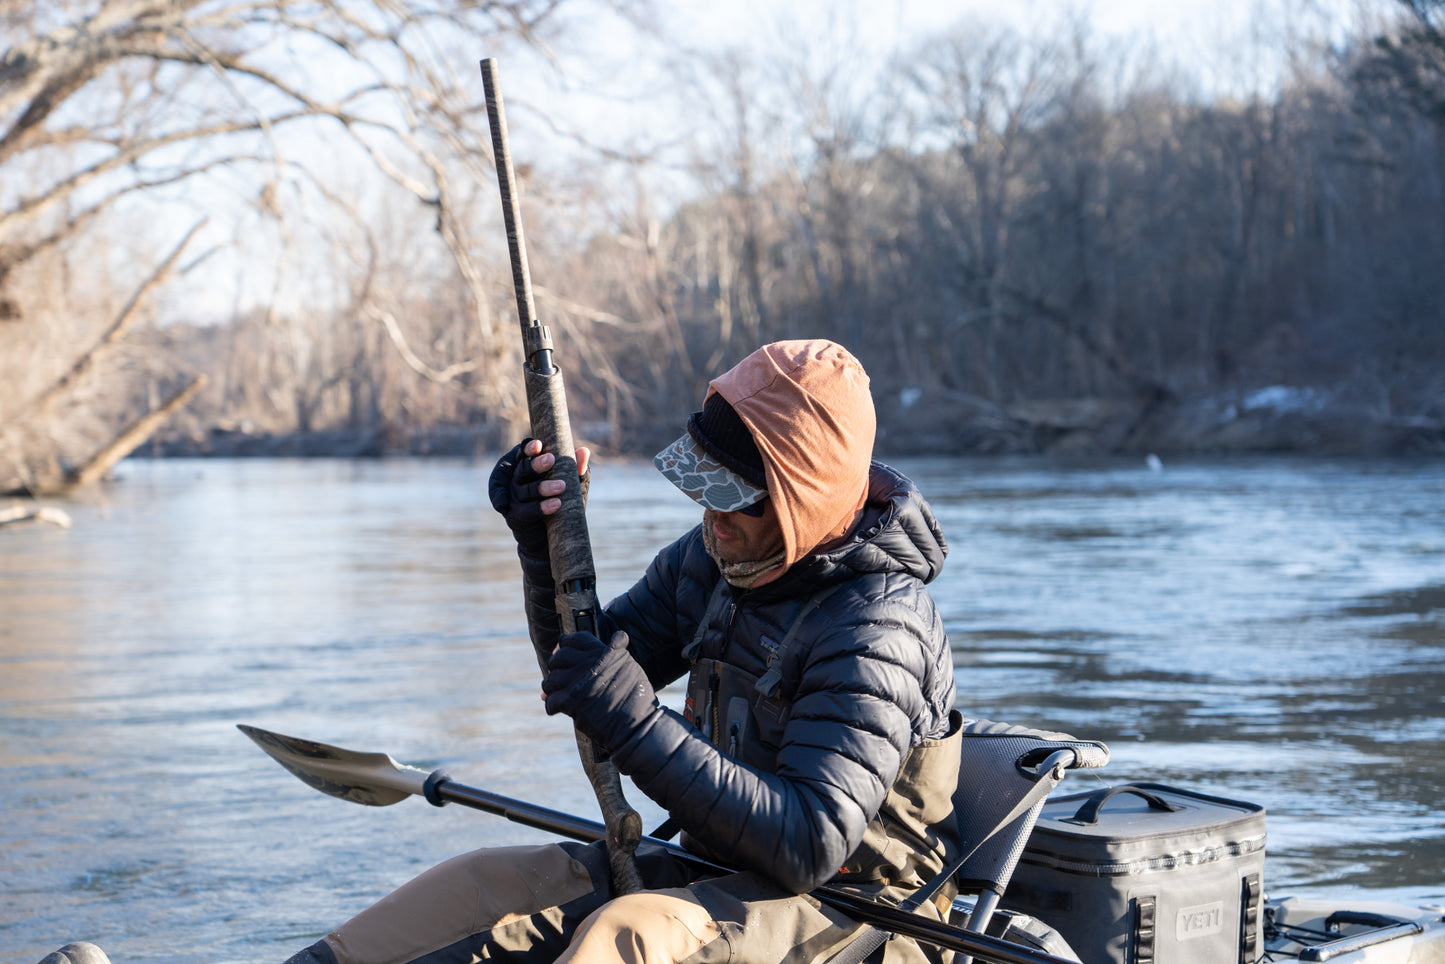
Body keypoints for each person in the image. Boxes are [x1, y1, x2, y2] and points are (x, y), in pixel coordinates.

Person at [283, 338, 961, 964]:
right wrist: (542, 551)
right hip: (711, 870)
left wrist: (636, 724)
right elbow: (583, 673)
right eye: (703, 483)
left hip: (862, 912)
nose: (712, 514)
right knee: (476, 886)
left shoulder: (879, 626)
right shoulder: (711, 561)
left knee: (625, 937)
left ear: (803, 498)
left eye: (735, 495)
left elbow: (807, 845)